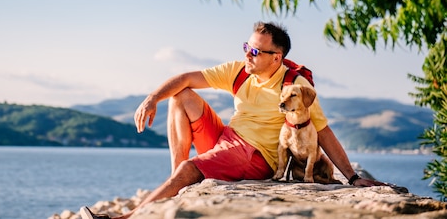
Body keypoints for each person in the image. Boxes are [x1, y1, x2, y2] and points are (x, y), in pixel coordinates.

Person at [81, 21, 385, 219]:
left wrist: (353, 177)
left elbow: (322, 130)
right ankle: (179, 181)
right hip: (227, 139)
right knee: (181, 95)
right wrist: (151, 98)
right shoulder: (240, 71)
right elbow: (187, 77)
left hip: (256, 157)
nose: (247, 55)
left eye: (255, 51)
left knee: (191, 167)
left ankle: (126, 218)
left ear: (276, 57)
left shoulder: (294, 86)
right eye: (246, 47)